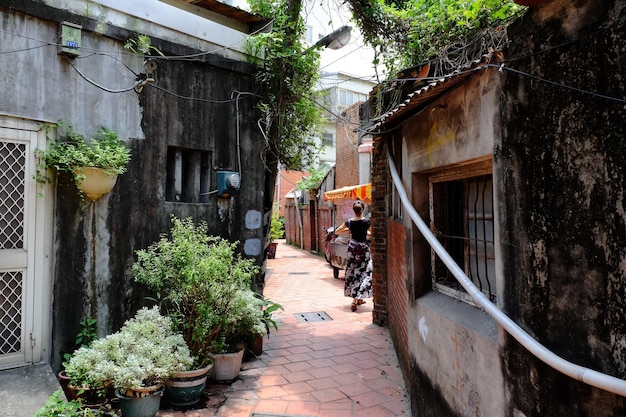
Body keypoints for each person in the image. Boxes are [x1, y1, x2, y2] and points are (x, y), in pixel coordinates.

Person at [335, 200, 372, 312]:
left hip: (352, 251)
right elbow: (371, 233)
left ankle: (356, 299)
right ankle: (357, 298)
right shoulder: (366, 222)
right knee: (364, 273)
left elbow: (337, 231)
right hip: (363, 251)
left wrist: (348, 229)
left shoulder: (349, 222)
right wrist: (366, 233)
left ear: (353, 210)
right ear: (363, 210)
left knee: (353, 273)